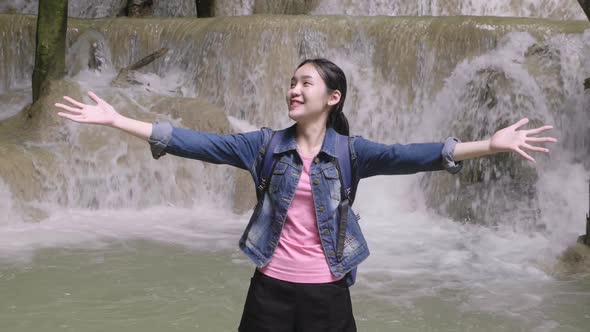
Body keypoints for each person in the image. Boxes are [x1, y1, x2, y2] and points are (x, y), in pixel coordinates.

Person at [55, 58, 557, 331]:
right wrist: (118, 119)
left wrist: (489, 145)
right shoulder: (262, 147)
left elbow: (416, 154)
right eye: (291, 83)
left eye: (305, 83)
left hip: (327, 293)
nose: (294, 90)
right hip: (269, 288)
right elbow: (193, 143)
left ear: (332, 98)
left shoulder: (352, 153)